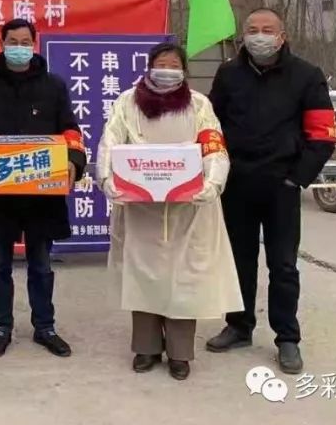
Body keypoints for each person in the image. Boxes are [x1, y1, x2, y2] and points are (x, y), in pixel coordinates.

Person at [96, 42, 242, 381]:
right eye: (160, 63)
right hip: (141, 208)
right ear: (148, 67)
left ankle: (180, 353)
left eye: (174, 64)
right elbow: (110, 141)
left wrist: (213, 181)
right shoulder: (127, 103)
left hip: (187, 210)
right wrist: (106, 178)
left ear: (184, 70)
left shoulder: (199, 105)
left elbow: (213, 146)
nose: (167, 69)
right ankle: (145, 348)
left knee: (183, 282)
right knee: (144, 277)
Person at [206, 8, 336, 374]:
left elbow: (323, 134)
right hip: (237, 184)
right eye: (252, 30)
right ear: (242, 36)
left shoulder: (306, 75)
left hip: (283, 185)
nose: (259, 36)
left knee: (283, 265)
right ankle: (239, 324)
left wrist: (298, 177)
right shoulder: (229, 73)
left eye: (267, 30)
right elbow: (211, 126)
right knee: (238, 261)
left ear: (282, 36)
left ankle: (288, 339)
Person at [0, 19, 86, 358]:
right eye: (12, 40)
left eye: (25, 41)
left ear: (34, 44)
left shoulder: (54, 86)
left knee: (42, 266)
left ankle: (44, 327)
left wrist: (73, 162)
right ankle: (1, 326)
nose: (19, 46)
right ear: (1, 43)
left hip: (41, 196)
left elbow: (70, 129)